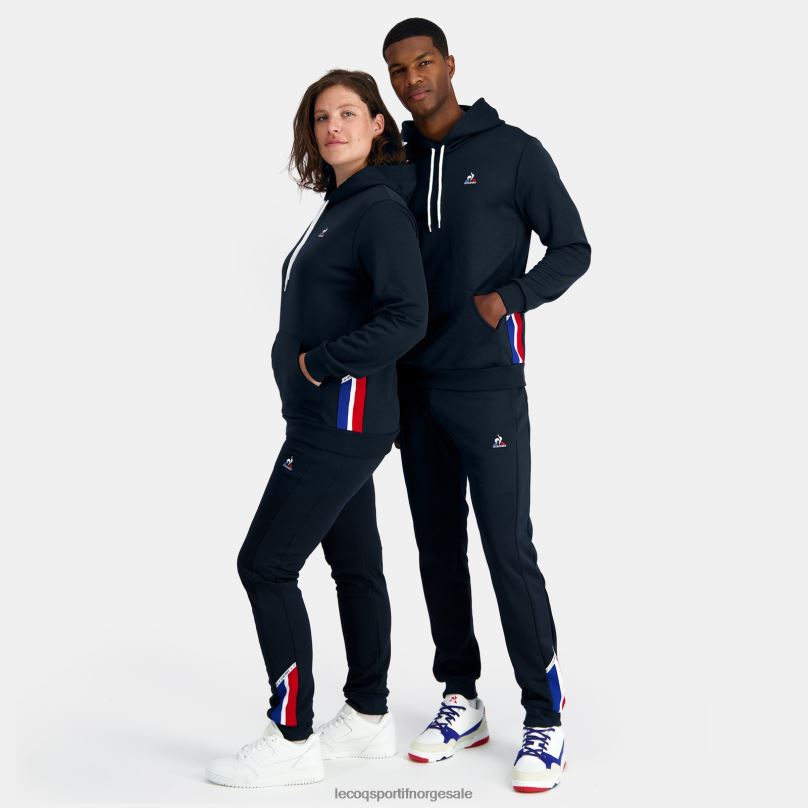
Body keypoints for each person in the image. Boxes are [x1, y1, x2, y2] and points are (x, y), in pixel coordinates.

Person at [381, 18, 591, 793]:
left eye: (423, 63)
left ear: (449, 64)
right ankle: (460, 698)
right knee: (438, 549)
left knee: (507, 548)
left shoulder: (514, 152)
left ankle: (544, 717)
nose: (412, 79)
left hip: (488, 386)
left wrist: (510, 298)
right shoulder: (394, 161)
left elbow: (573, 248)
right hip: (413, 388)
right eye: (398, 70)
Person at [206, 69, 427, 788]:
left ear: (377, 125)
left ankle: (291, 735)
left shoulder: (377, 210)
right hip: (332, 418)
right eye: (322, 117)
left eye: (348, 113)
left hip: (340, 420)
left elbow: (406, 317)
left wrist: (318, 365)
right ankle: (367, 717)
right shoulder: (344, 205)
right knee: (354, 565)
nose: (333, 126)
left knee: (265, 565)